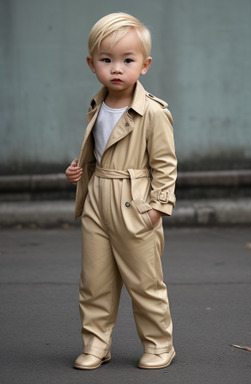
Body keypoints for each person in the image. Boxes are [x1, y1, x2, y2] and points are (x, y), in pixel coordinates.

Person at [65, 12, 177, 370]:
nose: (117, 68)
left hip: (135, 201)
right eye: (106, 60)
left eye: (127, 60)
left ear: (144, 66)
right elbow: (99, 153)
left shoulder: (153, 113)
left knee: (145, 281)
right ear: (91, 63)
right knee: (95, 281)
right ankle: (97, 344)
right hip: (98, 198)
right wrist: (78, 171)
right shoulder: (97, 105)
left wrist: (157, 208)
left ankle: (160, 345)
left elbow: (165, 165)